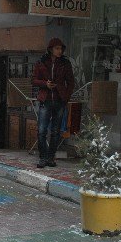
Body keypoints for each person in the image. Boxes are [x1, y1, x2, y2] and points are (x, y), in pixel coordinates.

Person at [31, 38, 75, 168]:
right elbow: (33, 80)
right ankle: (43, 157)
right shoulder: (41, 62)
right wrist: (45, 84)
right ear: (51, 49)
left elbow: (71, 82)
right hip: (45, 99)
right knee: (42, 130)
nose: (59, 51)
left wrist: (66, 96)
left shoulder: (65, 63)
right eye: (57, 48)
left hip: (59, 99)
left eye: (61, 48)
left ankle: (51, 157)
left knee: (56, 131)